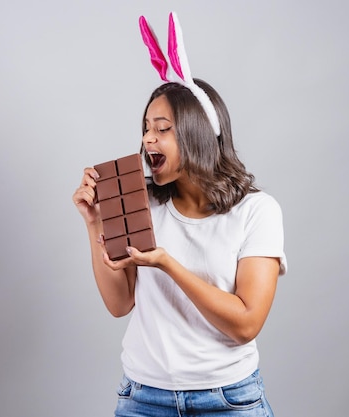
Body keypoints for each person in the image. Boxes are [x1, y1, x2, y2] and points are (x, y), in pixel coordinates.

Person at [72, 79, 287, 417]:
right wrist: (95, 221)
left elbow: (246, 323)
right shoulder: (140, 203)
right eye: (146, 128)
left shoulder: (257, 211)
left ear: (198, 133)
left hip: (228, 399)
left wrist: (167, 264)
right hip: (143, 398)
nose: (147, 139)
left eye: (163, 129)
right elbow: (119, 303)